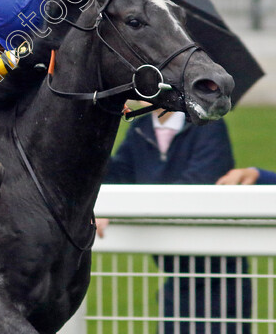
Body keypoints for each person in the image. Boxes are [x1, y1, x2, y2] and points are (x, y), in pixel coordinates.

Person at [99, 107, 252, 334]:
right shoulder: (141, 127)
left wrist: (126, 207)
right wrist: (98, 129)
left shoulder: (209, 124)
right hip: (175, 274)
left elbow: (199, 184)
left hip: (219, 276)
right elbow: (119, 177)